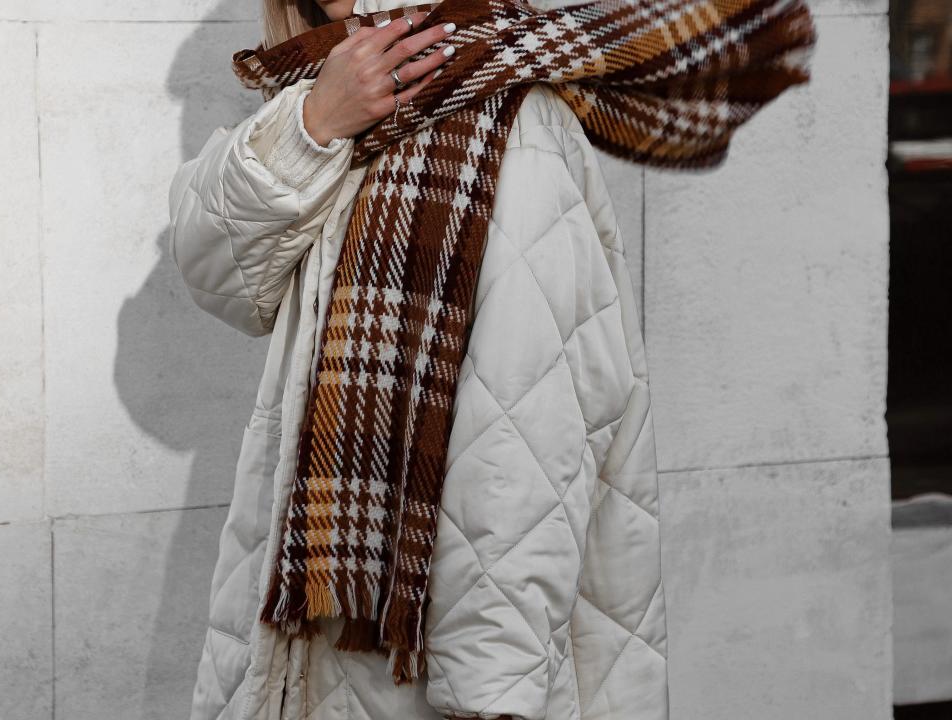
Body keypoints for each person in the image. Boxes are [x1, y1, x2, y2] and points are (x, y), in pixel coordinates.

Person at [167, 0, 667, 718]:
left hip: (425, 665)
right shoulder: (324, 97)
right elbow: (220, 276)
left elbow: (527, 436)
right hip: (322, 630)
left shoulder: (503, 119)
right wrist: (313, 127)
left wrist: (492, 695)